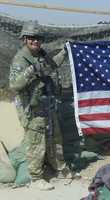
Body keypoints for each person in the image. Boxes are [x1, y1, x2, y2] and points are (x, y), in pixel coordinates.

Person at [9, 21, 70, 190]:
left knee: (55, 137)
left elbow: (50, 64)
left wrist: (64, 52)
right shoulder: (20, 59)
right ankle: (35, 178)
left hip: (46, 104)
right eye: (31, 38)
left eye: (38, 38)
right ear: (24, 39)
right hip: (32, 107)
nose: (35, 41)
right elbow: (14, 85)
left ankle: (59, 169)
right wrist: (32, 70)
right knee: (36, 142)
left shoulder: (41, 54)